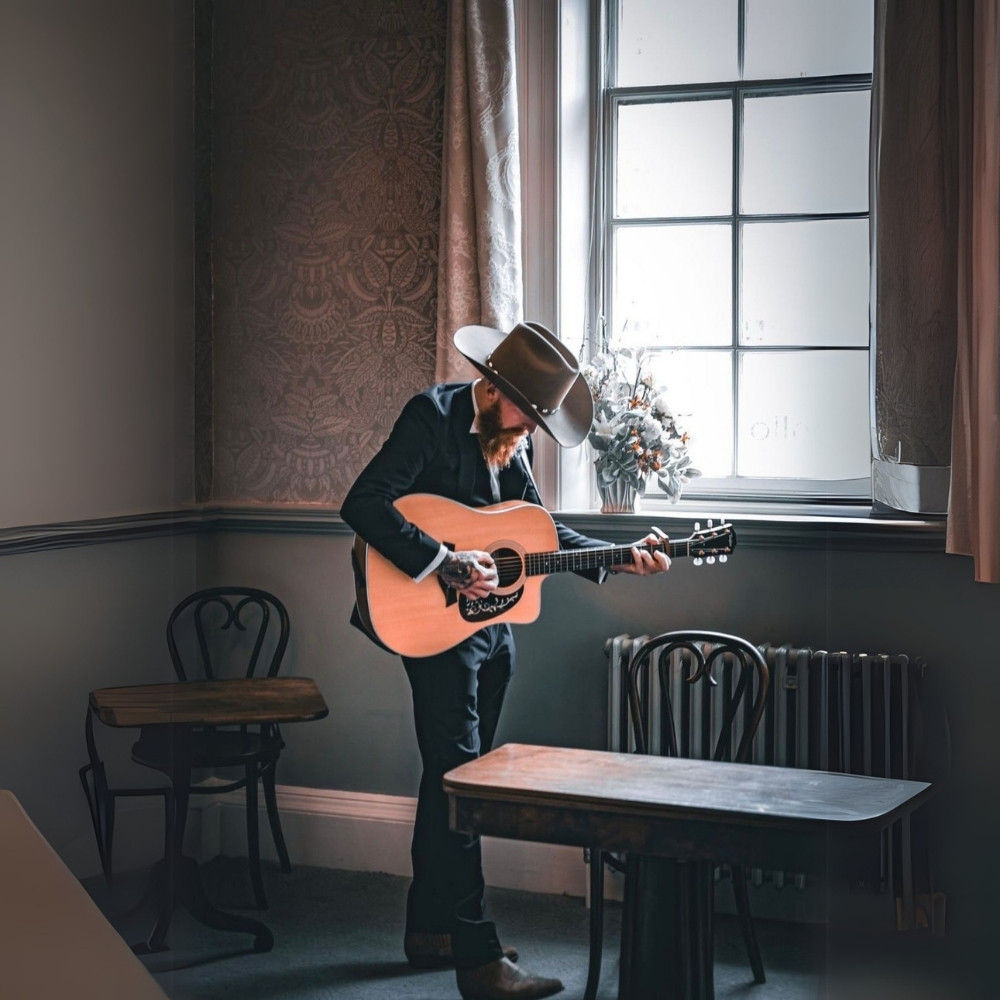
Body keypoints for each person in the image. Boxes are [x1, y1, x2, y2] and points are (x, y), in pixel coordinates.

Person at [341, 321, 670, 1000]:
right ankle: (478, 956)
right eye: (525, 412)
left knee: (454, 780)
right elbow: (363, 503)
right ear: (492, 388)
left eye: (537, 421)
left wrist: (619, 557)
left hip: (492, 632)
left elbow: (539, 534)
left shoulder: (508, 443)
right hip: (431, 625)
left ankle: (432, 930)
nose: (529, 431)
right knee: (461, 781)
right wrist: (444, 560)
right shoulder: (430, 417)